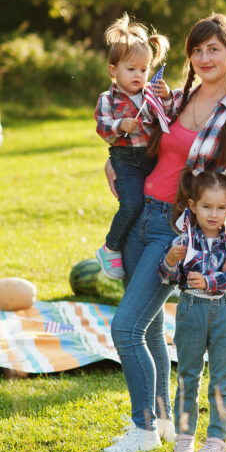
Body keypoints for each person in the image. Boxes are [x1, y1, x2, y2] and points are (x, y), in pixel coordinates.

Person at [103, 13, 226, 452]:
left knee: (126, 328)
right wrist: (113, 161)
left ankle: (142, 427)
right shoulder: (176, 99)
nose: (204, 57)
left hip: (172, 231)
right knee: (151, 328)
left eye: (214, 49)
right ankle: (157, 423)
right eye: (197, 49)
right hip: (138, 219)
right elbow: (142, 143)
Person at [158, 168, 226, 452]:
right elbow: (167, 277)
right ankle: (184, 438)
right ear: (193, 206)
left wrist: (210, 281)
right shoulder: (184, 240)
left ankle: (217, 441)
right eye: (207, 206)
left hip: (224, 311)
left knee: (222, 378)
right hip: (190, 309)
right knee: (188, 376)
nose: (213, 214)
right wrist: (169, 261)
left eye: (221, 208)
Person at [94, 14, 173, 280]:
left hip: (150, 158)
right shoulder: (107, 99)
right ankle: (110, 247)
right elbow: (102, 128)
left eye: (144, 69)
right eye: (131, 69)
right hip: (125, 159)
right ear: (114, 70)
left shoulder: (150, 96)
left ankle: (144, 252)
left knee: (149, 206)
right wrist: (119, 126)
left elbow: (169, 118)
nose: (139, 75)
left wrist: (167, 98)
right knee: (131, 203)